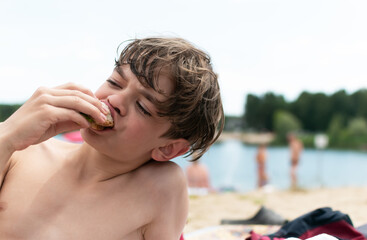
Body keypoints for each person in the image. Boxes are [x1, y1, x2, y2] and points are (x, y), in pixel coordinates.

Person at [0, 37, 224, 239]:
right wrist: (7, 135)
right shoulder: (23, 151)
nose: (115, 99)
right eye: (115, 82)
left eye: (142, 106)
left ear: (168, 149)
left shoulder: (158, 189)